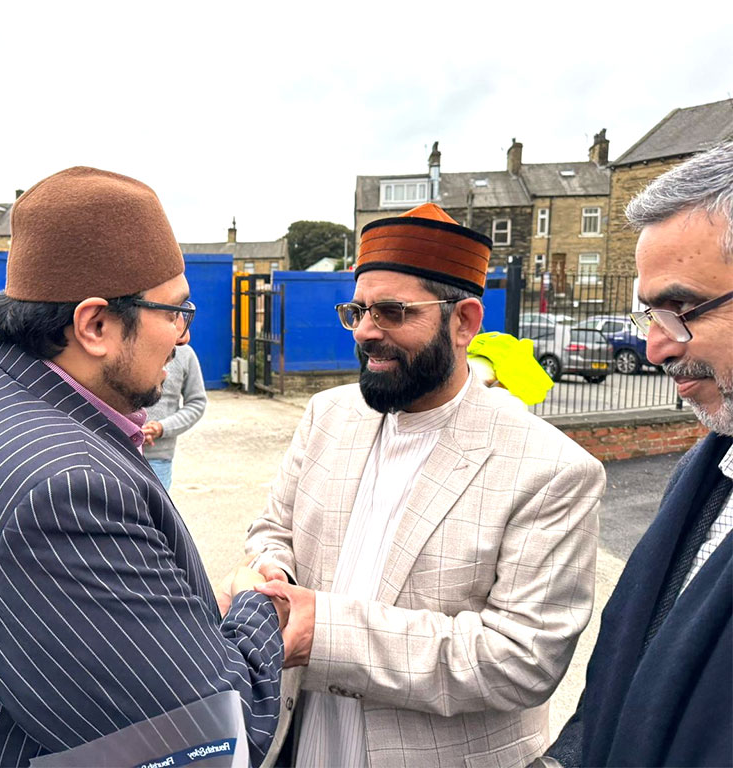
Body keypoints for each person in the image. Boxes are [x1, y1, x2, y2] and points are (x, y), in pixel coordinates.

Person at [0, 167, 289, 768]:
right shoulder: (62, 491)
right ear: (95, 325)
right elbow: (209, 734)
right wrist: (259, 611)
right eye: (174, 312)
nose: (180, 336)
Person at [245, 201, 605, 768]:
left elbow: (521, 660)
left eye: (392, 312)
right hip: (298, 742)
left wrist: (325, 632)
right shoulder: (327, 415)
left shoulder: (550, 469)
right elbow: (273, 529)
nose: (366, 332)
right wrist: (275, 575)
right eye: (358, 310)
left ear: (464, 322)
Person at [542, 141, 733, 768]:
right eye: (649, 312)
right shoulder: (707, 470)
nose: (655, 348)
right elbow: (619, 690)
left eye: (679, 310)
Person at [142, 342, 207, 489]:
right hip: (114, 451)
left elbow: (197, 403)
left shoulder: (184, 354)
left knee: (155, 511)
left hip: (157, 457)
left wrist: (162, 428)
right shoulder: (123, 342)